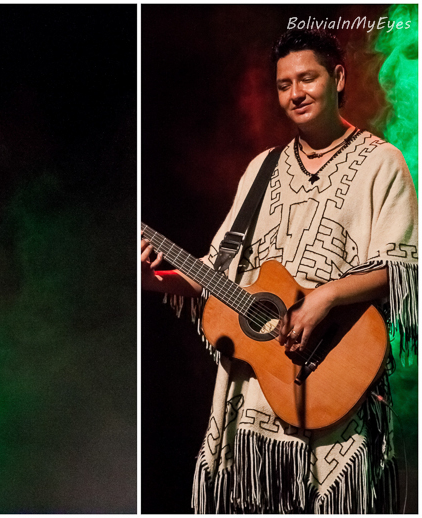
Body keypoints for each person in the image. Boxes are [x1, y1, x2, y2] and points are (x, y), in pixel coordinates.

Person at [141, 29, 416, 513]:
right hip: (254, 401)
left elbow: (407, 272)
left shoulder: (382, 163)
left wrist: (328, 296)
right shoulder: (261, 168)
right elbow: (216, 272)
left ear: (338, 78)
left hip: (339, 381)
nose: (295, 93)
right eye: (284, 84)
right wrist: (157, 278)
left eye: (307, 79)